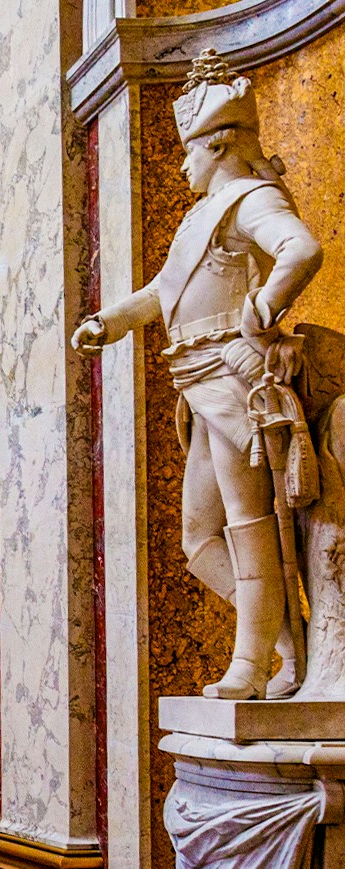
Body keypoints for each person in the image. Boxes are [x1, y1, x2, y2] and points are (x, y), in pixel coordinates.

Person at [72, 50, 324, 699]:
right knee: (197, 538)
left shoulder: (250, 197)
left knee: (247, 520)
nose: (182, 162)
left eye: (191, 150)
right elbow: (165, 288)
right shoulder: (200, 214)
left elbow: (301, 248)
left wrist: (261, 310)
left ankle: (248, 666)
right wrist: (112, 322)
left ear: (218, 144)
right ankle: (284, 641)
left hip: (233, 374)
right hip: (196, 379)